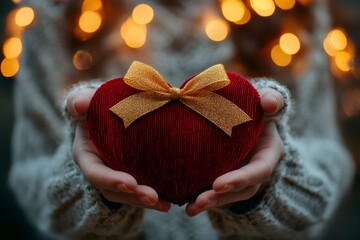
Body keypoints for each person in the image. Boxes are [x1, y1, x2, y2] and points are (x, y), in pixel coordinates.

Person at [8, 0, 355, 239]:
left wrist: (267, 188)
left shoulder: (294, 12)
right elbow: (31, 182)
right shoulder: (54, 11)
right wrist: (88, 184)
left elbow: (329, 164)